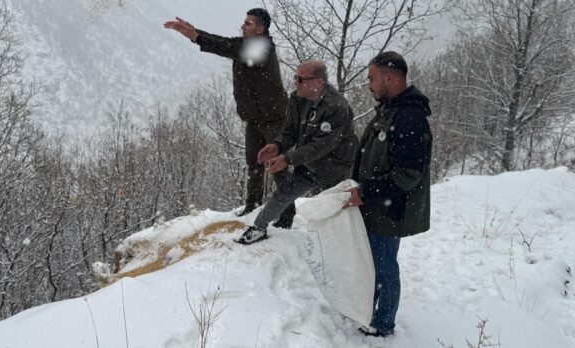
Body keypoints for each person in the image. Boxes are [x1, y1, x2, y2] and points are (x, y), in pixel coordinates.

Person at [164, 8, 296, 227]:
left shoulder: (262, 47)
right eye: (243, 22)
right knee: (253, 163)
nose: (243, 26)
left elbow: (226, 46)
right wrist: (194, 32)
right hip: (254, 118)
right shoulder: (246, 45)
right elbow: (226, 42)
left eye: (248, 23)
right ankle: (253, 205)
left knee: (277, 166)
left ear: (260, 29)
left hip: (274, 119)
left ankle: (287, 214)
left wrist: (195, 36)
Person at [344, 51, 432, 337]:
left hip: (388, 207)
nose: (368, 85)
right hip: (375, 202)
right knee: (373, 262)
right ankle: (367, 310)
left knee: (383, 266)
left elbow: (407, 174)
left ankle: (382, 324)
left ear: (390, 78)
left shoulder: (410, 116)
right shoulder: (391, 108)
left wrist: (366, 191)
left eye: (371, 78)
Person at [235, 60, 358, 245]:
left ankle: (346, 244)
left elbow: (321, 146)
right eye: (295, 78)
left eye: (301, 79)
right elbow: (290, 131)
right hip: (308, 163)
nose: (295, 83)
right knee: (283, 193)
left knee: (339, 208)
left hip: (336, 168)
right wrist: (277, 146)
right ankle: (259, 227)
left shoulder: (336, 106)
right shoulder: (297, 99)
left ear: (318, 82)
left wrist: (287, 159)